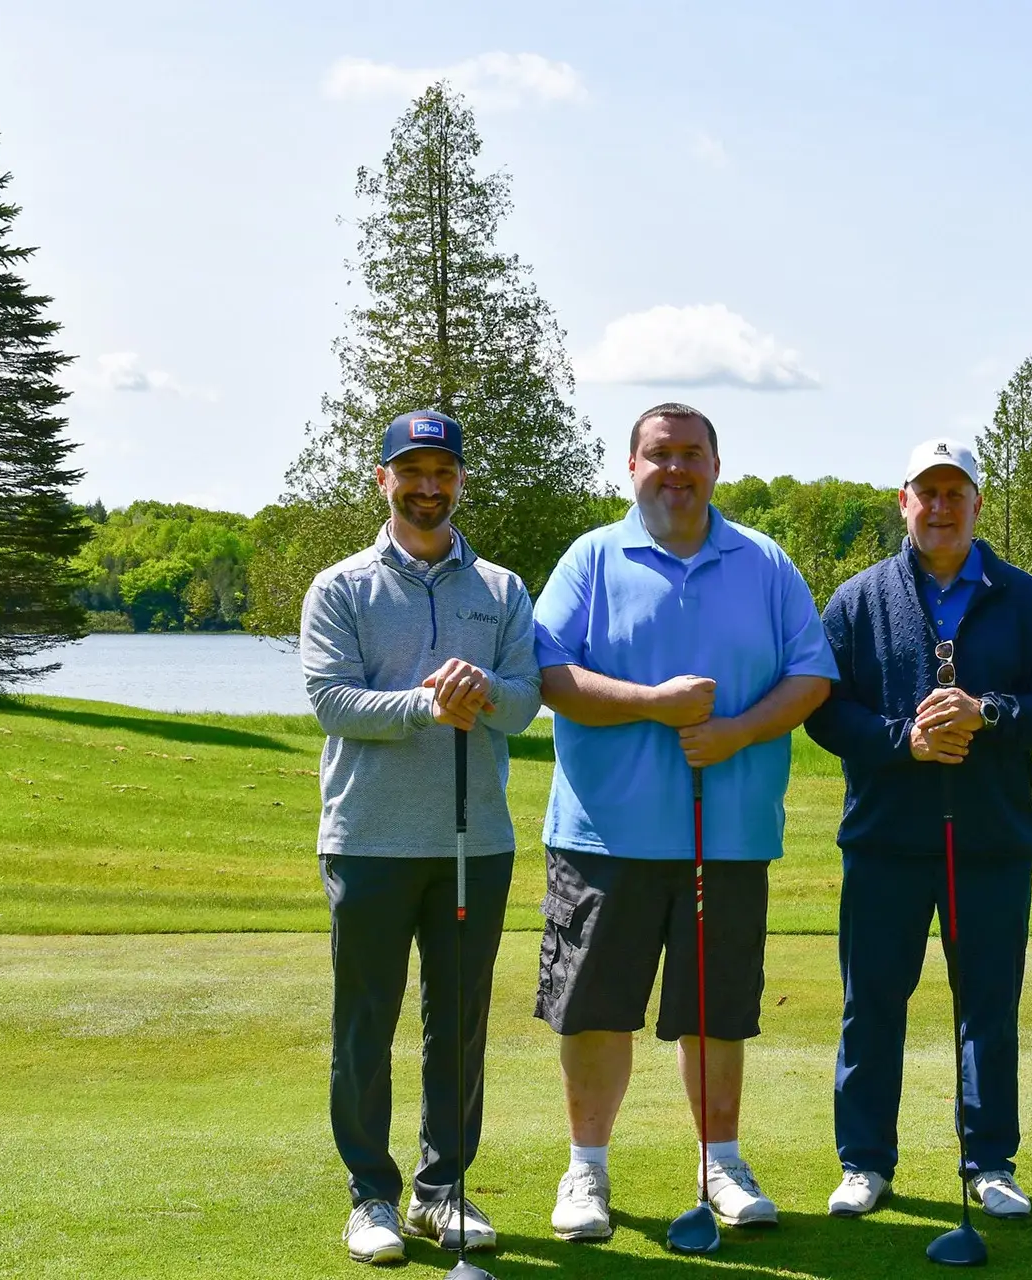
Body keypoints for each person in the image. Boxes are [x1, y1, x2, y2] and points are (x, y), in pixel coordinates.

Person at [530, 402, 837, 1242]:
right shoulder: (593, 557)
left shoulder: (764, 562)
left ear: (715, 466)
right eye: (660, 454)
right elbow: (549, 673)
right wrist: (651, 703)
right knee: (596, 1011)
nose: (677, 469)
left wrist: (738, 731)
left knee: (716, 1011)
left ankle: (720, 1164)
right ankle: (586, 1170)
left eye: (692, 454)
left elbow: (812, 674)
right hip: (604, 836)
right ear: (632, 467)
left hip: (729, 834)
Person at [805, 438, 1032, 1220]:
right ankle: (865, 1162)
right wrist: (907, 741)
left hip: (991, 841)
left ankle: (990, 1163)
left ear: (977, 505)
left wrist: (988, 712)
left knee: (988, 1009)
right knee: (871, 1006)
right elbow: (824, 710)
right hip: (884, 841)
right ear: (904, 503)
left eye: (954, 493)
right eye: (925, 493)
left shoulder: (1023, 598)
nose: (939, 507)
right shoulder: (859, 599)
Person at [300, 408, 543, 1266]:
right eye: (412, 473)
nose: (428, 487)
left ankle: (442, 1191)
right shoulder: (341, 586)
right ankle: (370, 1194)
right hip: (368, 839)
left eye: (443, 473)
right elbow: (331, 700)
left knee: (460, 1024)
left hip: (475, 844)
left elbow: (526, 700)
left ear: (461, 480)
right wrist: (425, 704)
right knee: (365, 1024)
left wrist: (485, 693)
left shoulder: (502, 590)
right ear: (384, 480)